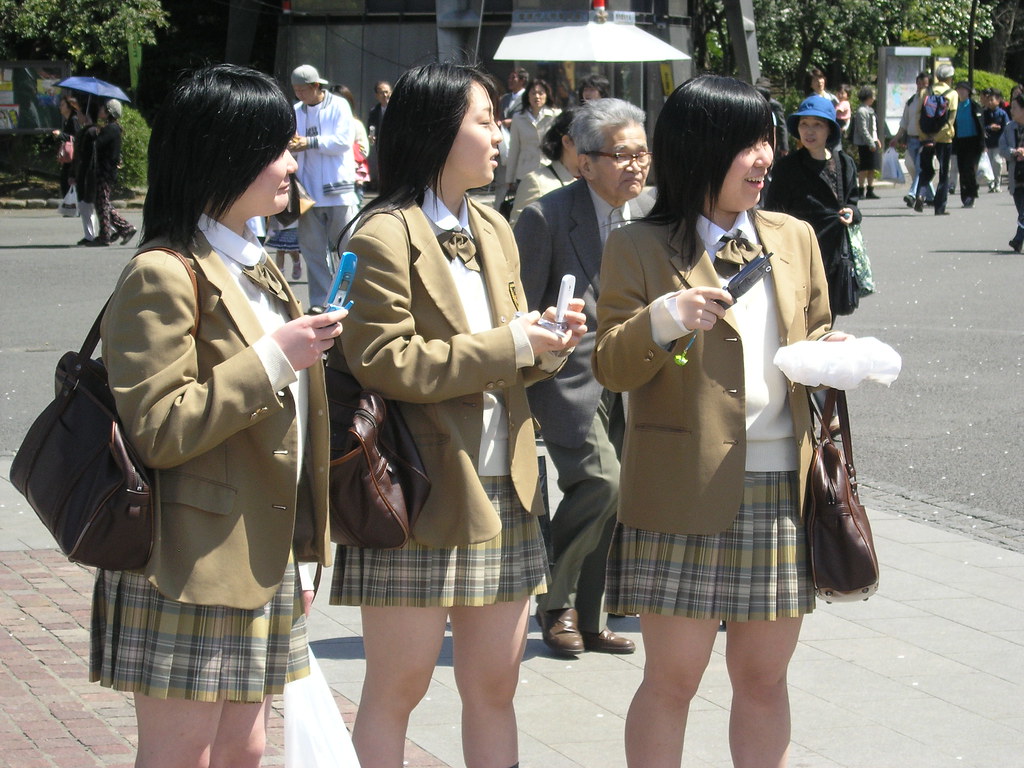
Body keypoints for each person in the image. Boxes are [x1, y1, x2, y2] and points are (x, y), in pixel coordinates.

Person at [326, 62, 586, 768]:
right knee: (398, 685)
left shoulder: (494, 226)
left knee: (495, 685)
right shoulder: (381, 233)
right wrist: (512, 342)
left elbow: (502, 353)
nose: (500, 134)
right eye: (484, 121)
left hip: (506, 486)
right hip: (419, 487)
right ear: (438, 130)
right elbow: (387, 361)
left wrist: (547, 343)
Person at [592, 74, 850, 768]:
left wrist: (835, 356)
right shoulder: (639, 247)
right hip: (679, 490)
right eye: (748, 143)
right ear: (700, 150)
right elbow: (611, 367)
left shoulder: (794, 237)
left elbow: (815, 331)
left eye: (767, 140)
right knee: (672, 680)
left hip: (780, 495)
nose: (765, 157)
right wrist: (662, 320)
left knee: (764, 679)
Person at [92, 63, 344, 768]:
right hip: (187, 556)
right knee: (183, 755)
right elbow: (161, 426)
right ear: (223, 154)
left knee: (245, 747)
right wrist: (273, 359)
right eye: (277, 148)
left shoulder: (254, 263)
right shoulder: (163, 272)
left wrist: (303, 542)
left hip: (258, 552)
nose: (293, 163)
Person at [514, 98, 653, 658]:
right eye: (621, 155)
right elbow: (519, 304)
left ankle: (589, 617)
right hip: (570, 378)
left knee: (617, 500)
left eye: (642, 154)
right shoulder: (546, 217)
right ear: (584, 162)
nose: (635, 167)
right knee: (603, 482)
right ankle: (554, 603)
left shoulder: (649, 216)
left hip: (634, 379)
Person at [764, 95, 861, 319]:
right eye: (804, 124)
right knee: (800, 317)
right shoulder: (787, 167)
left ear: (829, 130)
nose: (809, 131)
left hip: (835, 253)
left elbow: (853, 203)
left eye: (817, 125)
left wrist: (852, 213)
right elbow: (772, 212)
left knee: (828, 316)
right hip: (798, 253)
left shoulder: (845, 163)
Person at [289, 64, 359, 306]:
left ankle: (352, 296)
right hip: (307, 192)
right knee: (313, 251)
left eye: (303, 90)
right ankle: (320, 300)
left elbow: (342, 141)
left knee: (346, 247)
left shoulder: (339, 105)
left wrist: (308, 142)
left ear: (316, 86)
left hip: (337, 189)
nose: (299, 95)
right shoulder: (296, 110)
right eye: (295, 90)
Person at [508, 108, 579, 226]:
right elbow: (518, 235)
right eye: (588, 138)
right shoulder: (536, 183)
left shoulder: (595, 181)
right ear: (567, 141)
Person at [915, 63, 959, 216]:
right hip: (944, 139)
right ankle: (940, 207)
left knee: (926, 169)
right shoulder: (952, 94)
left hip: (926, 136)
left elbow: (918, 115)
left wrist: (925, 135)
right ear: (949, 78)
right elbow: (950, 120)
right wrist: (937, 137)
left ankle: (920, 193)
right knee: (943, 173)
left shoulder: (926, 91)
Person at [94, 99, 136, 246]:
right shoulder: (113, 128)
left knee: (103, 203)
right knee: (102, 201)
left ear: (109, 112)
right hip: (108, 171)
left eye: (104, 109)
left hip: (105, 171)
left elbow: (98, 145)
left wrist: (95, 133)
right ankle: (123, 228)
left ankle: (108, 233)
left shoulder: (110, 129)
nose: (101, 111)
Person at [505, 78, 560, 191]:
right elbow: (514, 149)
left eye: (541, 93)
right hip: (525, 170)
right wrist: (509, 178)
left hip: (549, 169)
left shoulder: (555, 115)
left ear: (547, 95)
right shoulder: (518, 118)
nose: (537, 96)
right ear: (528, 96)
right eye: (533, 93)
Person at [890, 71, 936, 207]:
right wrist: (896, 138)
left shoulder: (932, 101)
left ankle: (912, 194)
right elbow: (904, 122)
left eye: (924, 84)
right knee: (916, 167)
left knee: (920, 167)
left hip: (925, 139)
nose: (921, 86)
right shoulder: (911, 101)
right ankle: (931, 196)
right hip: (911, 139)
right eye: (919, 83)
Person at [331, 84, 372, 201]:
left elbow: (363, 151)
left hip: (352, 178)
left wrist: (342, 148)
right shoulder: (325, 124)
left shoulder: (355, 124)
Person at [72, 96, 102, 246]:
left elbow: (84, 156)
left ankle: (90, 234)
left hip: (88, 172)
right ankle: (92, 233)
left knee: (87, 204)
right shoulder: (90, 131)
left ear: (86, 114)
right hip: (87, 172)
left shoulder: (89, 133)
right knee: (91, 204)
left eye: (80, 113)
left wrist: (77, 174)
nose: (77, 116)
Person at [951, 81, 985, 209]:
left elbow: (981, 125)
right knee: (962, 169)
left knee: (969, 168)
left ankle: (971, 194)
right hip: (960, 141)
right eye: (959, 89)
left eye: (963, 89)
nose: (961, 92)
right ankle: (965, 196)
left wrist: (983, 144)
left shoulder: (974, 106)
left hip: (973, 142)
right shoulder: (955, 106)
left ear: (968, 91)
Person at [999, 92, 1024, 252]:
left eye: (1015, 108)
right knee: (1021, 208)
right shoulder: (1009, 128)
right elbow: (1002, 148)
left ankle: (1018, 239)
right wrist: (1014, 152)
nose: (1011, 111)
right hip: (1017, 176)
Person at [852, 86, 881, 199]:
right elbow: (863, 129)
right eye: (872, 96)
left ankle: (870, 189)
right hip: (865, 144)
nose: (874, 98)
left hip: (872, 141)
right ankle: (860, 190)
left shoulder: (870, 110)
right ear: (867, 97)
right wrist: (870, 142)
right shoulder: (861, 111)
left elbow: (872, 128)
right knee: (864, 168)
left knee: (872, 167)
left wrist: (876, 139)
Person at [52, 94, 79, 199]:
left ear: (69, 106)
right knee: (65, 180)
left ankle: (71, 206)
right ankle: (69, 206)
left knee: (67, 180)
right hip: (68, 158)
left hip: (73, 158)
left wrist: (61, 135)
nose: (60, 107)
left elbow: (76, 137)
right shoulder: (67, 120)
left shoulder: (74, 119)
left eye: (62, 105)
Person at [983, 88, 1009, 193]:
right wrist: (990, 127)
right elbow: (982, 126)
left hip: (999, 142)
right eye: (988, 100)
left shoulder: (1002, 113)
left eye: (992, 100)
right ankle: (991, 184)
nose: (989, 102)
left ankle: (997, 183)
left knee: (997, 163)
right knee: (989, 164)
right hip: (988, 143)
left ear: (998, 101)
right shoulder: (984, 113)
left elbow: (1006, 127)